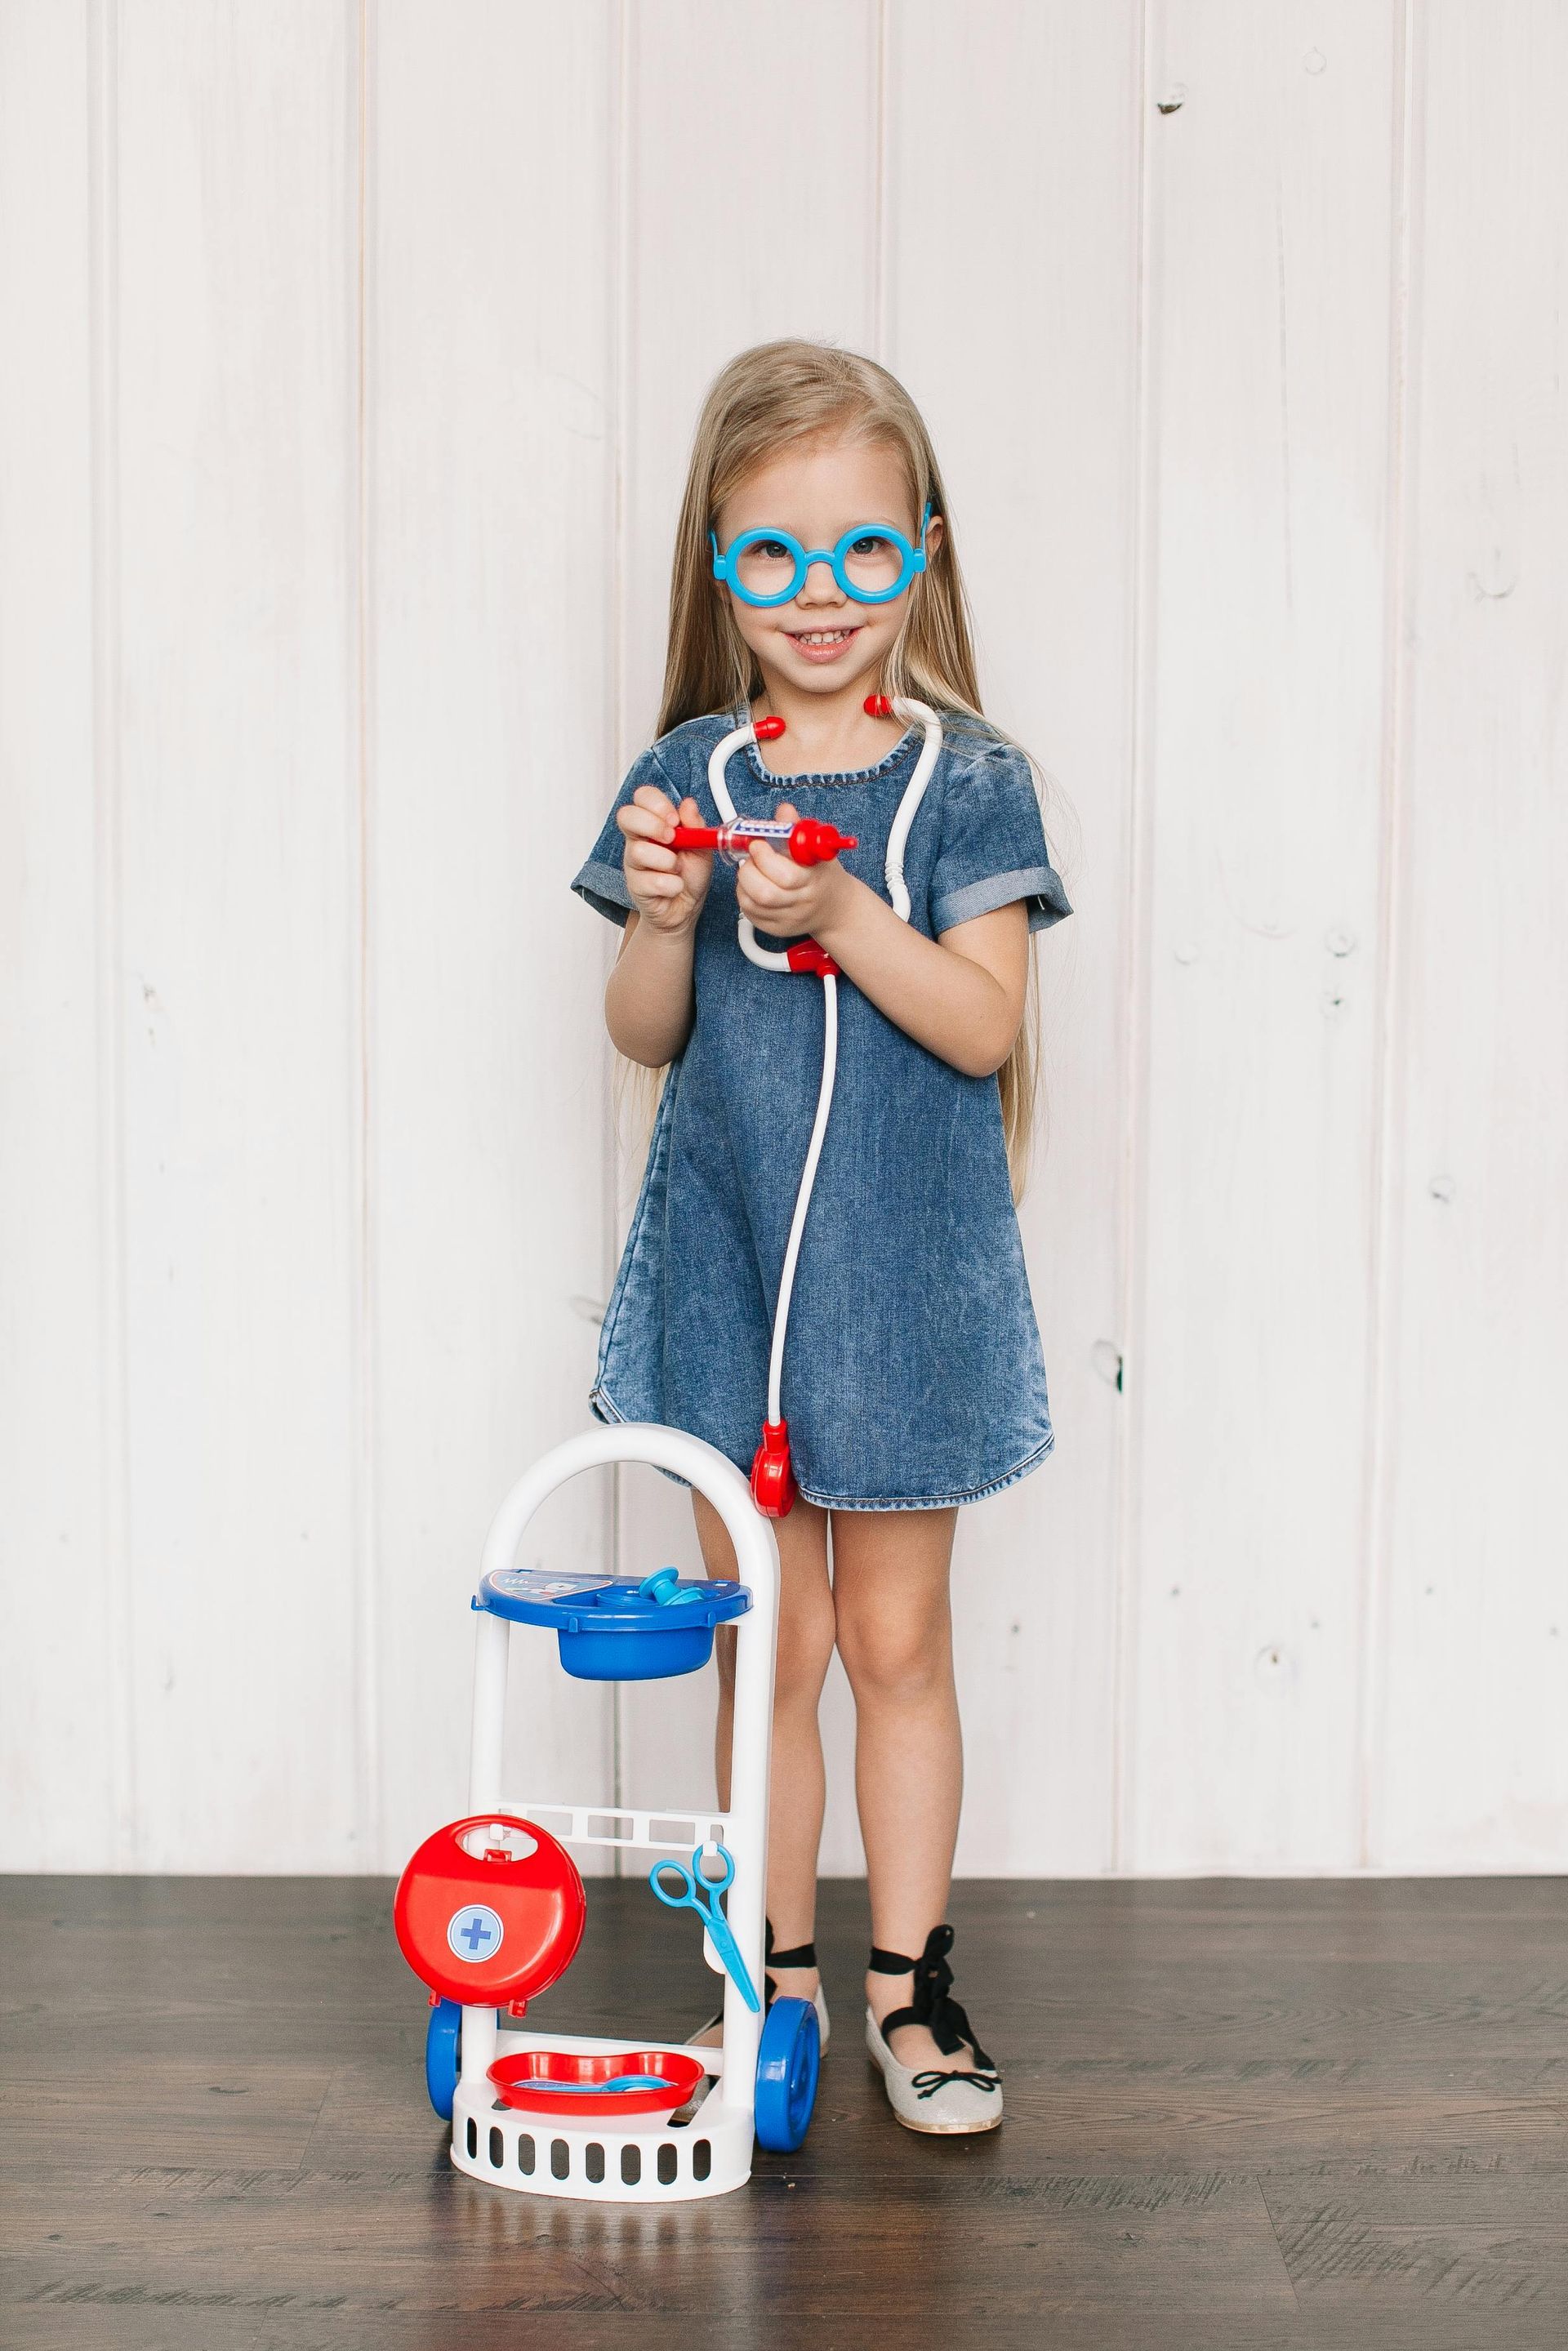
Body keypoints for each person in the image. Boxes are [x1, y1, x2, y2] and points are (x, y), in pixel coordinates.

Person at [570, 339, 1071, 2135]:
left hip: (906, 1290)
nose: (819, 598)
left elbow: (984, 1021)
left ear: (923, 550)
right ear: (717, 565)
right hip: (737, 1288)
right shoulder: (689, 770)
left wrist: (846, 908)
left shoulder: (970, 780)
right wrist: (662, 914)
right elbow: (649, 1029)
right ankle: (761, 1982)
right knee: (761, 1649)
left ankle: (906, 1990)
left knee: (896, 1646)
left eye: (862, 552)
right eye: (770, 557)